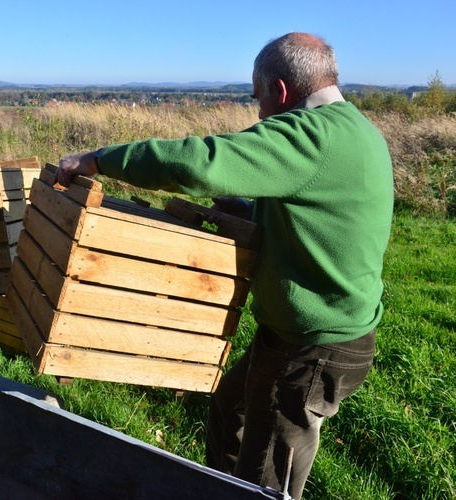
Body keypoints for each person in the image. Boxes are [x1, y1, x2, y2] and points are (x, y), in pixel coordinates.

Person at [56, 33, 393, 499]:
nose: (258, 112)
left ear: (278, 90)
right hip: (311, 334)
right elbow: (323, 216)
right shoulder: (355, 129)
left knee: (265, 483)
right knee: (229, 412)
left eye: (258, 99)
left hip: (312, 348)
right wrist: (245, 208)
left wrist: (98, 159)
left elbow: (200, 163)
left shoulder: (310, 134)